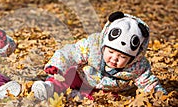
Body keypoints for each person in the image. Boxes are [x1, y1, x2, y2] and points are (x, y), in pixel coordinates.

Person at [31, 11, 167, 100]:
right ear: (103, 46)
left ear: (133, 57)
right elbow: (71, 52)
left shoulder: (138, 66)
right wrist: (57, 65)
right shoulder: (93, 45)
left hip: (105, 88)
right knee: (68, 73)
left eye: (122, 57)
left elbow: (147, 81)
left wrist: (160, 96)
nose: (114, 58)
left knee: (112, 96)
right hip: (83, 76)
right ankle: (50, 87)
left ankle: (78, 96)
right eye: (111, 52)